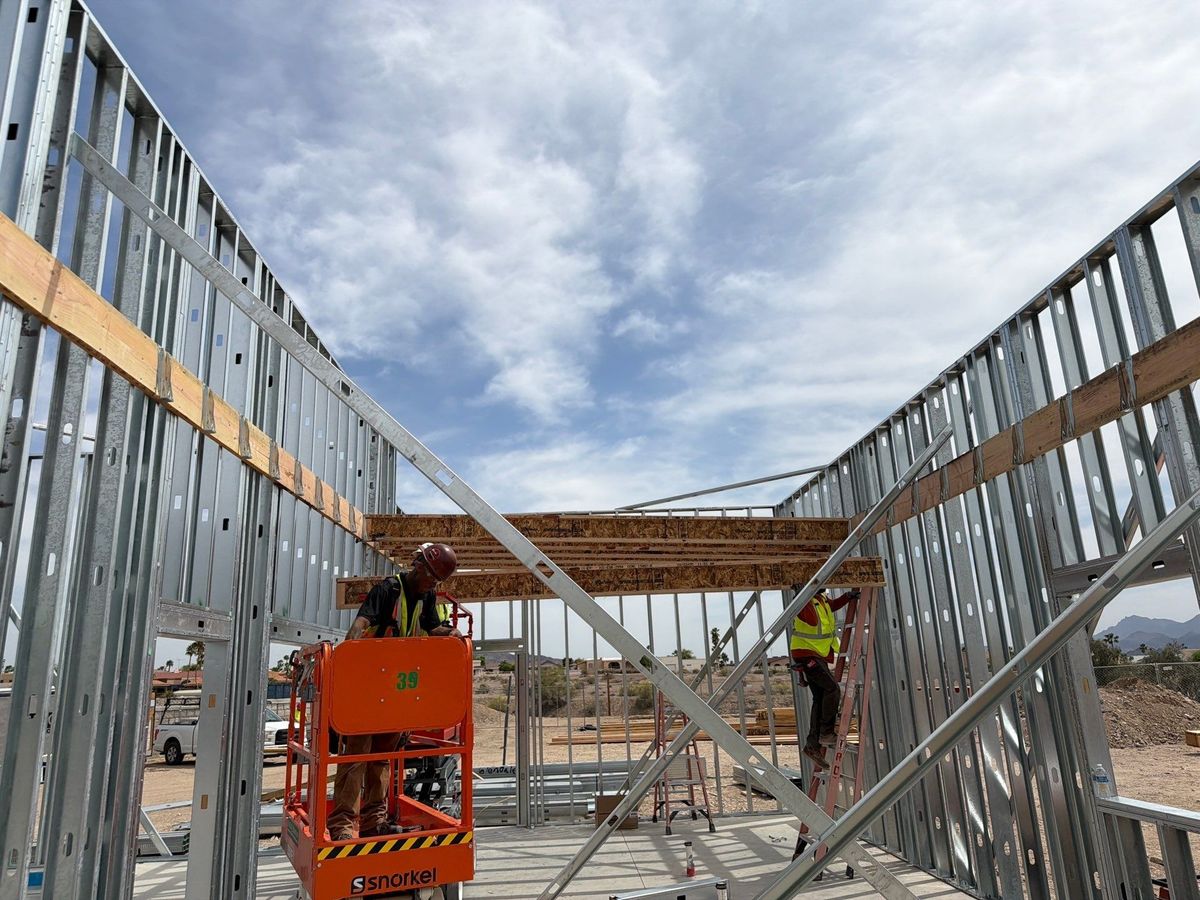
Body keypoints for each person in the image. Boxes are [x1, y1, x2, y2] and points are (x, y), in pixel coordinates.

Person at [328, 542, 460, 840]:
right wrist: (347, 661)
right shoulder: (387, 591)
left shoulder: (426, 597)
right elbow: (361, 624)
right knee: (356, 759)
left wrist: (449, 633)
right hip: (367, 689)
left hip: (394, 691)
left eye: (437, 581)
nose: (432, 583)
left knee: (381, 760)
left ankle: (373, 820)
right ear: (419, 566)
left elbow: (432, 627)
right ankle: (343, 825)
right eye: (431, 576)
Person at [790, 587, 859, 770]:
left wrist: (847, 597)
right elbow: (812, 620)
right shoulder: (804, 603)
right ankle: (826, 733)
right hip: (806, 653)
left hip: (817, 652)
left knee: (821, 698)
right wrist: (803, 595)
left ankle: (812, 745)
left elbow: (831, 605)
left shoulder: (820, 599)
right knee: (832, 689)